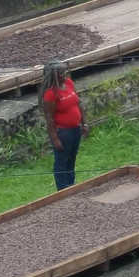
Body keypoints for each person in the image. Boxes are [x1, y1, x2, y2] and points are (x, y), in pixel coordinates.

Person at [41, 60, 88, 190]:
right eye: (61, 73)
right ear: (53, 75)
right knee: (62, 160)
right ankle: (62, 188)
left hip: (75, 129)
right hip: (63, 132)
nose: (65, 75)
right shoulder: (50, 94)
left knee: (72, 157)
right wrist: (55, 139)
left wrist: (84, 123)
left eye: (65, 72)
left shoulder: (69, 83)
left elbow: (78, 104)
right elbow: (49, 118)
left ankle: (71, 184)